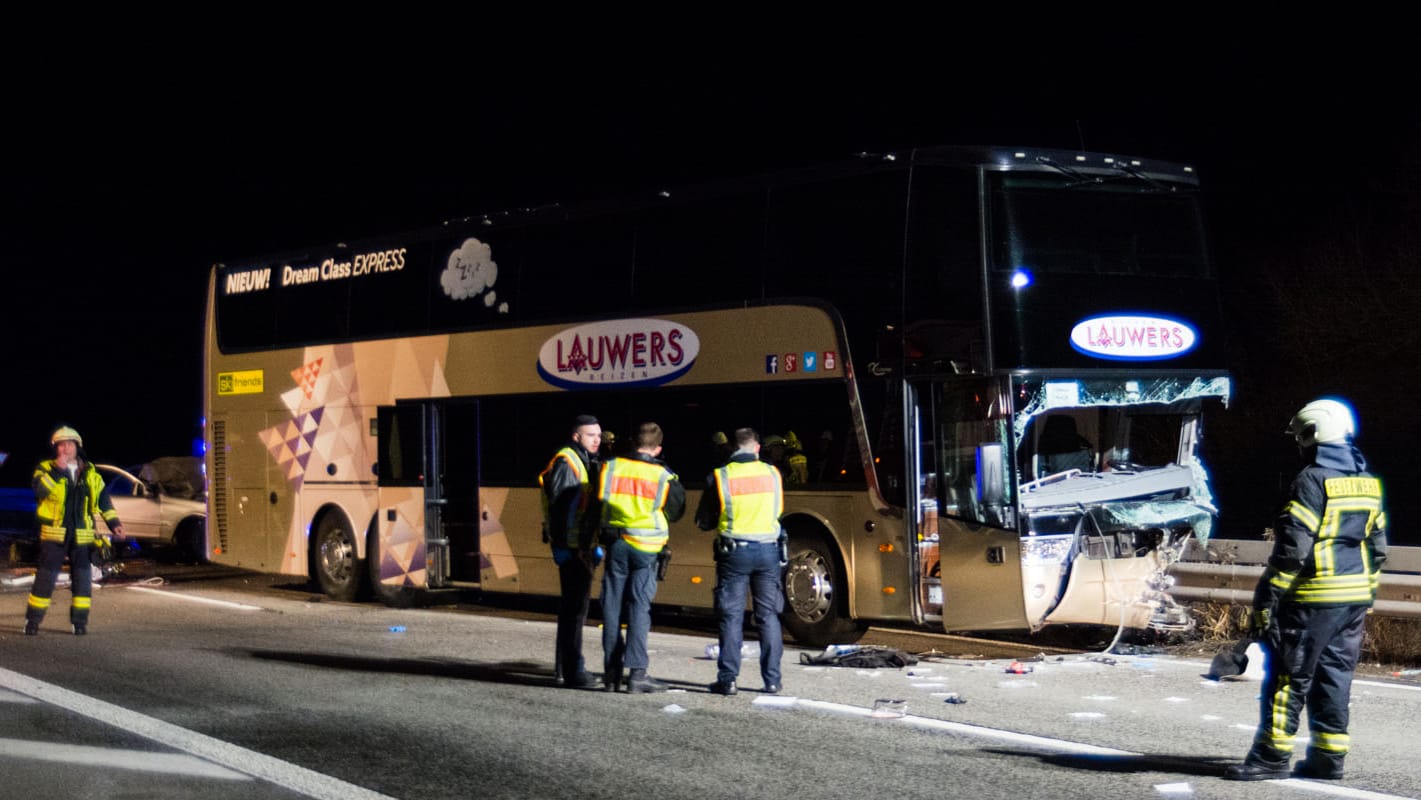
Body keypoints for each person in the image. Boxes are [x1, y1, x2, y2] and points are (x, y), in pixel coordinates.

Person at [1224, 398, 1388, 781]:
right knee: (1335, 678)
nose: (1299, 445)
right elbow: (1377, 548)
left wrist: (1268, 597)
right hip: (1353, 600)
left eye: (1301, 438)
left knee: (1289, 677)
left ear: (1313, 434)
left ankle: (1271, 758)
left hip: (1313, 598)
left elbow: (1293, 551)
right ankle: (1328, 760)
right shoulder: (1367, 482)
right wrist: (1366, 593)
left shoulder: (1311, 479)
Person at [695, 428, 786, 695]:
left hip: (734, 553)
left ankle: (728, 680)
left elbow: (704, 521)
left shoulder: (720, 476)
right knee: (768, 616)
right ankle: (772, 680)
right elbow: (778, 510)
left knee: (731, 616)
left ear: (733, 448)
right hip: (769, 551)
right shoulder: (772, 473)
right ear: (757, 448)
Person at [598, 422, 685, 693]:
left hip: (617, 543)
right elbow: (676, 510)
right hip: (647, 549)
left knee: (611, 607)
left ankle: (612, 673)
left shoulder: (611, 467)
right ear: (657, 448)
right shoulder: (663, 476)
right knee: (639, 608)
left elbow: (597, 503)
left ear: (631, 442)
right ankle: (637, 674)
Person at [23, 426, 125, 636]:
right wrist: (58, 470)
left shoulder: (90, 473)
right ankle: (32, 621)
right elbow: (40, 491)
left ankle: (79, 623)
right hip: (54, 534)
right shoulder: (45, 468)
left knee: (82, 580)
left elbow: (103, 501)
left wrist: (114, 523)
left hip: (83, 535)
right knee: (45, 579)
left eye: (69, 444)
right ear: (56, 448)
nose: (65, 448)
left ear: (77, 447)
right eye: (61, 444)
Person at [538, 414, 604, 689]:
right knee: (574, 611)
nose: (597, 440)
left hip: (579, 547)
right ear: (576, 436)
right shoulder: (568, 462)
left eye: (598, 435)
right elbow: (561, 509)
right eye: (591, 435)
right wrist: (569, 548)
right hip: (574, 549)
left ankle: (564, 669)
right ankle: (573, 672)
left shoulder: (581, 460)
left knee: (573, 609)